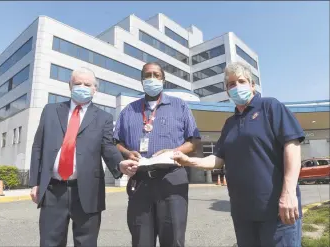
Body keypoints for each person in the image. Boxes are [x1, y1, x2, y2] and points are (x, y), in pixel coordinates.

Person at [172, 61, 305, 247]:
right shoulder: (230, 124)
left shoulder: (270, 107)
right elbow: (218, 159)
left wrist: (289, 193)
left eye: (241, 81)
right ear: (227, 92)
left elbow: (292, 146)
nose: (236, 87)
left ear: (252, 85)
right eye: (231, 84)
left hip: (277, 210)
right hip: (243, 214)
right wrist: (188, 161)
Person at [29, 67, 138, 247]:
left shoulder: (103, 117)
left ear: (95, 89)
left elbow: (108, 146)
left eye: (87, 84)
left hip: (88, 191)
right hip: (53, 190)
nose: (82, 87)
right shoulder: (50, 110)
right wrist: (35, 182)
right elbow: (37, 147)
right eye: (78, 83)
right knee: (50, 243)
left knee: (86, 243)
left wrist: (120, 164)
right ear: (70, 85)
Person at [113, 62, 201, 247]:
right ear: (141, 80)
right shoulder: (129, 111)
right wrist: (128, 153)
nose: (152, 79)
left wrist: (173, 152)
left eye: (156, 75)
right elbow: (116, 142)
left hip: (172, 180)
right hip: (140, 181)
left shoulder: (180, 106)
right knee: (141, 240)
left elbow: (194, 141)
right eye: (147, 75)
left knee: (173, 239)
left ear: (163, 80)